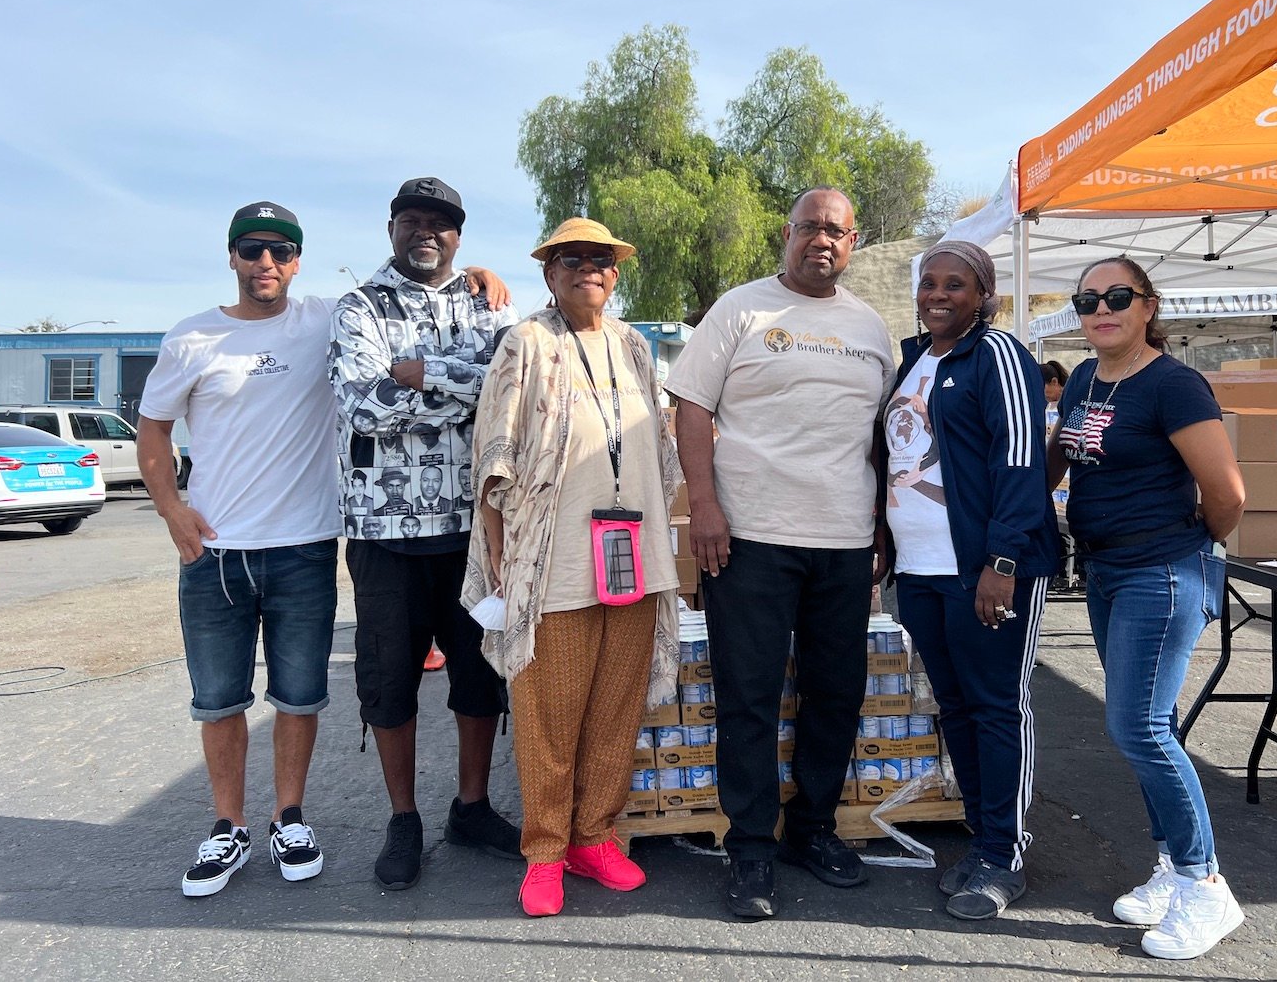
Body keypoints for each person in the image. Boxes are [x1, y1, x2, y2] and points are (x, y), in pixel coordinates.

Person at [664, 186, 894, 920]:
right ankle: (753, 850)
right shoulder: (741, 308)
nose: (820, 239)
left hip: (844, 540)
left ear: (853, 243)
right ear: (786, 235)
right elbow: (690, 405)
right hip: (750, 536)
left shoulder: (871, 328)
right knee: (750, 697)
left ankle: (813, 829)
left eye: (835, 230)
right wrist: (703, 504)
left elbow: (881, 434)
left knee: (835, 693)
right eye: (808, 227)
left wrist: (882, 524)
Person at [463, 217, 681, 917]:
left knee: (616, 709)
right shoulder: (527, 343)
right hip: (553, 559)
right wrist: (499, 558)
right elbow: (493, 455)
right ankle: (546, 850)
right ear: (551, 273)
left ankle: (593, 836)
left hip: (632, 555)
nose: (588, 267)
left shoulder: (634, 346)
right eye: (571, 258)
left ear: (616, 274)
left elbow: (660, 446)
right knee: (548, 715)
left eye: (600, 259)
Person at [136, 201, 340, 897]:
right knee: (219, 699)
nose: (266, 263)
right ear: (231, 256)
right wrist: (172, 511)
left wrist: (483, 276)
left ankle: (290, 817)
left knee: (299, 694)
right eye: (253, 249)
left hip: (304, 547)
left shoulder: (323, 319)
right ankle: (228, 826)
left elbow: (401, 291)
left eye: (281, 251)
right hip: (215, 553)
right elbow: (153, 430)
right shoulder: (193, 337)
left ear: (297, 261)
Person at [1048, 254, 1246, 960]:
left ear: (1148, 305)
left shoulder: (1174, 385)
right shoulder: (1083, 378)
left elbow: (1227, 493)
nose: (1101, 307)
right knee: (1145, 725)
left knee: (1139, 726)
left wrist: (1192, 547)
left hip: (1161, 571)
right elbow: (1059, 461)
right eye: (1088, 298)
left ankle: (1206, 883)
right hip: (1104, 569)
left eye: (1118, 295)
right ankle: (1172, 864)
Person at [330, 176, 521, 892]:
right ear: (391, 228)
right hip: (384, 534)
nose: (425, 232)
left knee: (479, 674)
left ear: (459, 236)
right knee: (389, 681)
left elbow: (510, 389)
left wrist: (422, 373)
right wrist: (458, 388)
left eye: (439, 223)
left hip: (474, 531)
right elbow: (362, 406)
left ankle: (470, 806)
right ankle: (403, 817)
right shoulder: (359, 307)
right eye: (412, 219)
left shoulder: (487, 302)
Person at [880, 240, 1059, 920]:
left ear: (985, 295)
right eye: (929, 282)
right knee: (954, 706)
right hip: (921, 569)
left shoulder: (999, 355)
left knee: (996, 705)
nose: (939, 293)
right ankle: (983, 838)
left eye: (957, 284)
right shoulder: (916, 359)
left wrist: (1003, 563)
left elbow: (1020, 463)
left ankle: (1003, 853)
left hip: (984, 569)